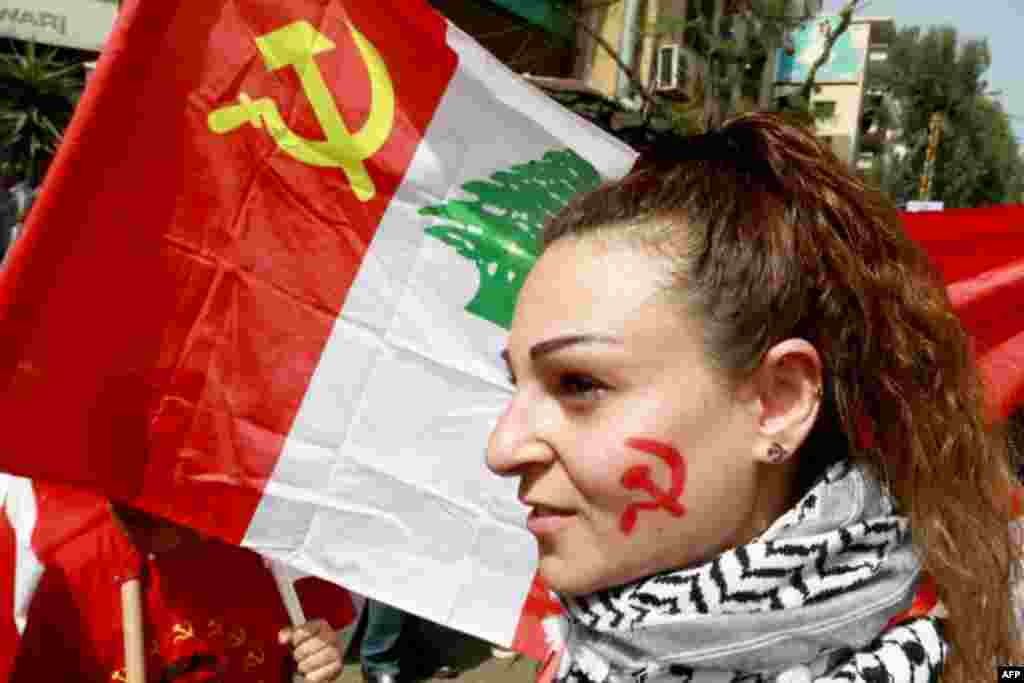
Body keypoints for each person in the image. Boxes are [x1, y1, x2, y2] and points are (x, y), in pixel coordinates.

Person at [486, 113, 1023, 683]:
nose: (501, 448)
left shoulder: (975, 650)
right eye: (514, 383)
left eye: (579, 384)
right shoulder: (595, 643)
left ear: (779, 402)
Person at [8, 481, 351, 682]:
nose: (140, 526)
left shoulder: (261, 541)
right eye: (127, 512)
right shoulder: (70, 574)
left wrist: (320, 653)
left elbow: (317, 640)